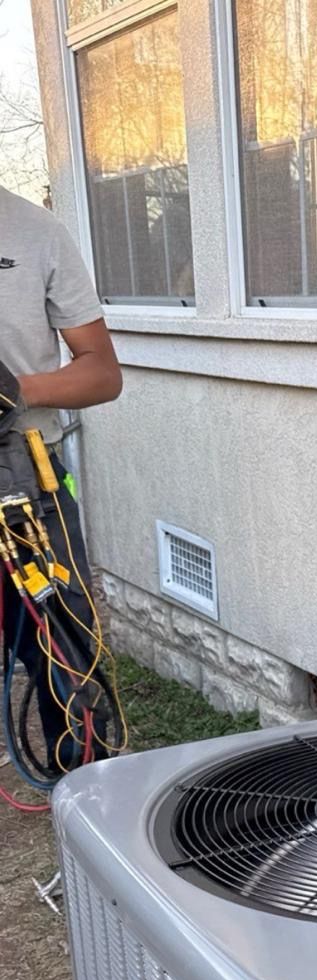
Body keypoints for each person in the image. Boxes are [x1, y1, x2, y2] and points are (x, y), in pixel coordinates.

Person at [0, 183, 121, 773]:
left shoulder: (35, 231)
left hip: (26, 475)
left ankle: (86, 790)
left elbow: (102, 372)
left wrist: (16, 389)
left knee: (65, 647)